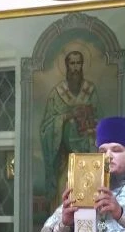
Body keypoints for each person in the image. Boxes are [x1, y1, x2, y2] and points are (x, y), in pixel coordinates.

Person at [39, 51, 100, 207]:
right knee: (63, 190)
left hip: (88, 157)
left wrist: (89, 125)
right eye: (72, 63)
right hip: (65, 158)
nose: (75, 68)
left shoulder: (90, 90)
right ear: (67, 66)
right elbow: (46, 127)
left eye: (78, 63)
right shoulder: (57, 93)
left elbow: (99, 120)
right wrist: (66, 117)